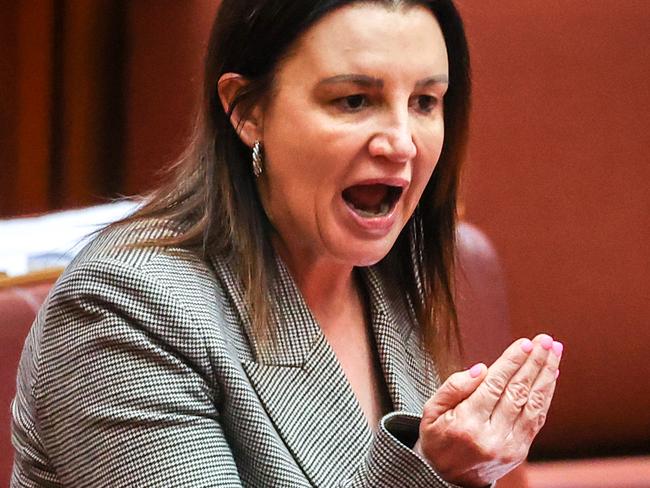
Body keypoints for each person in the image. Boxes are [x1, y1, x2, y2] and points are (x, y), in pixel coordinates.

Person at [11, 1, 563, 486]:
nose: (401, 143)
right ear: (247, 111)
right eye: (353, 100)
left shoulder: (394, 276)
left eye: (425, 101)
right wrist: (430, 472)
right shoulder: (125, 305)